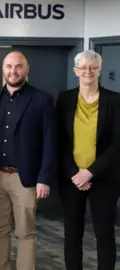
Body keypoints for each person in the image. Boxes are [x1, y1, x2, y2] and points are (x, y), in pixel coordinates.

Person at [0, 51, 56, 270]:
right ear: (3, 69)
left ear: (27, 68)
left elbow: (50, 142)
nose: (13, 71)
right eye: (9, 66)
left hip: (27, 178)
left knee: (25, 232)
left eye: (18, 66)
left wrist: (45, 178)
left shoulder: (42, 100)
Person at [57, 50, 120, 270]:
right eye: (83, 67)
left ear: (100, 71)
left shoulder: (115, 100)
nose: (88, 71)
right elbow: (61, 141)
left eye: (92, 67)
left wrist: (90, 172)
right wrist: (75, 173)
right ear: (75, 71)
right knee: (72, 233)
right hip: (71, 178)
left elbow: (117, 144)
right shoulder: (64, 99)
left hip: (104, 179)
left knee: (104, 233)